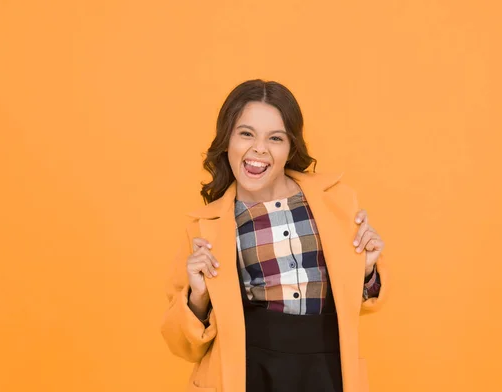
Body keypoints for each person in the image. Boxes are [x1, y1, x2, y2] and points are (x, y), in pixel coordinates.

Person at [161, 79, 388, 392]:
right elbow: (183, 347)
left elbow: (359, 304)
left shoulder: (337, 204)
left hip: (326, 373)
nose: (259, 149)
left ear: (290, 147)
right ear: (227, 140)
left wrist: (366, 269)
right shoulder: (204, 229)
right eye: (246, 134)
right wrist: (198, 298)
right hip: (250, 374)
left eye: (275, 138)